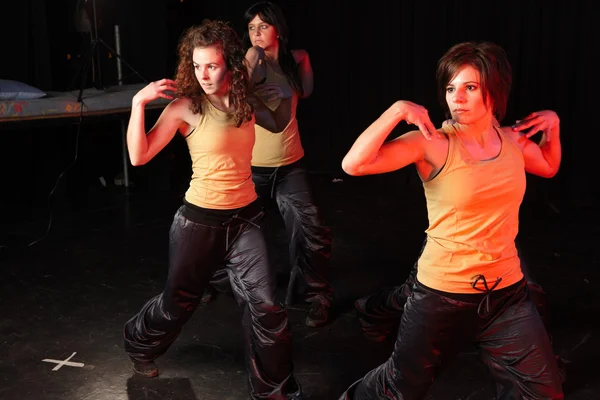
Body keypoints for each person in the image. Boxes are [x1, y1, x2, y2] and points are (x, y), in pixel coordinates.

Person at [339, 41, 563, 399]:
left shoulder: (513, 143)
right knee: (400, 387)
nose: (456, 97)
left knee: (543, 393)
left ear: (495, 90)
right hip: (442, 295)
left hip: (507, 294)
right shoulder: (432, 143)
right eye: (450, 88)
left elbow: (549, 166)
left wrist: (553, 126)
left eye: (470, 87)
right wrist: (396, 111)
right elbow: (354, 164)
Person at [122, 20, 303, 399]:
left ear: (230, 66)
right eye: (197, 65)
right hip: (199, 222)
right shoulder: (184, 108)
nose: (203, 75)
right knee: (178, 303)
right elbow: (139, 157)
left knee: (267, 307)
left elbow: (280, 120)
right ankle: (139, 343)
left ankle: (275, 391)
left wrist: (288, 90)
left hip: (246, 219)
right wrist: (139, 103)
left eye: (212, 65)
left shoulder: (245, 102)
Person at [204, 1, 334, 328]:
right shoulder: (250, 59)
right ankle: (209, 280)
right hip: (251, 166)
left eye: (263, 26)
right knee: (230, 230)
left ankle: (315, 295)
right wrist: (255, 75)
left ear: (278, 28)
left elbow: (305, 90)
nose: (256, 34)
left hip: (290, 164)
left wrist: (287, 85)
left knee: (310, 229)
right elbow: (236, 94)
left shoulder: (297, 58)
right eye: (251, 28)